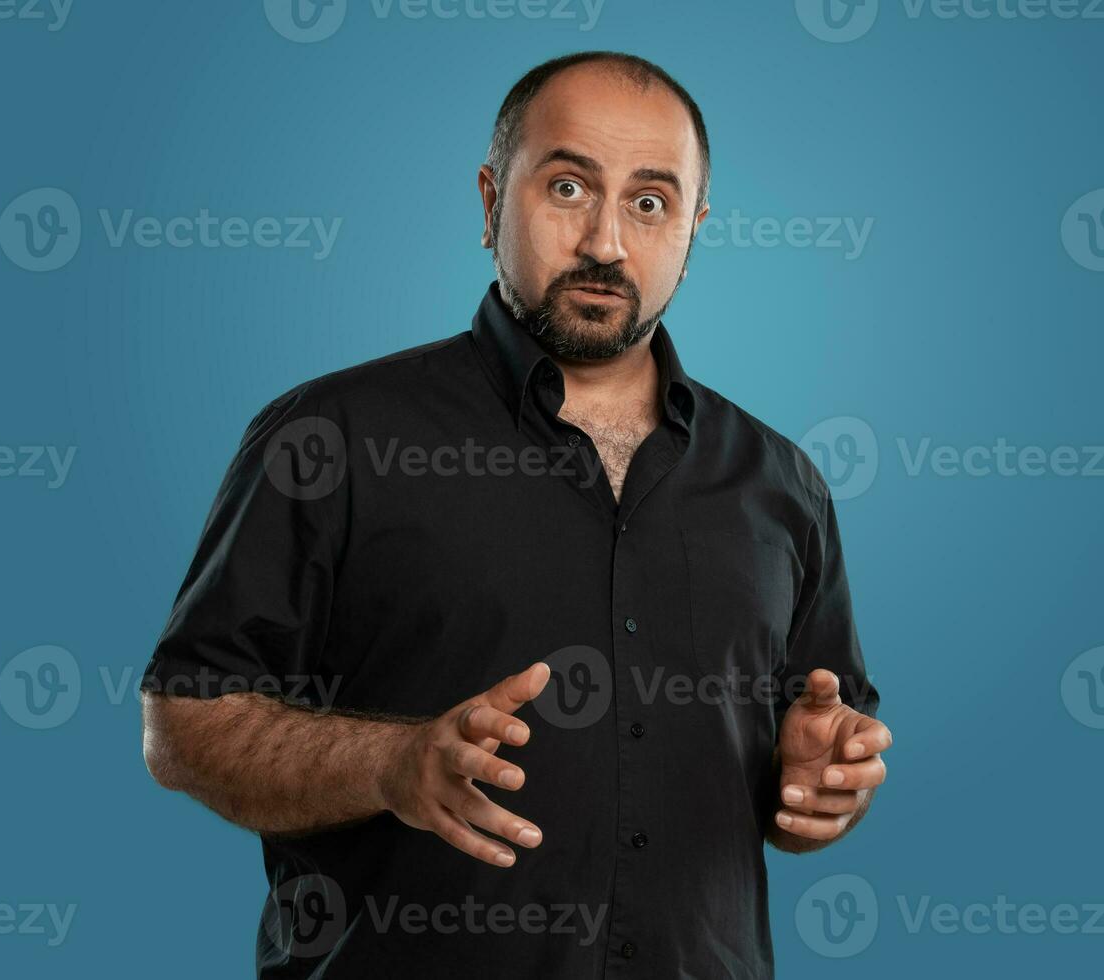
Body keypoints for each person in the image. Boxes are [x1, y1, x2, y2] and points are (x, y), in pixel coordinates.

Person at [140, 50, 890, 979]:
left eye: (650, 203)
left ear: (695, 229)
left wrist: (818, 789)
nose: (607, 243)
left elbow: (808, 779)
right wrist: (390, 765)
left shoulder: (783, 483)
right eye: (569, 186)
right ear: (492, 198)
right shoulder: (331, 437)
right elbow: (185, 722)